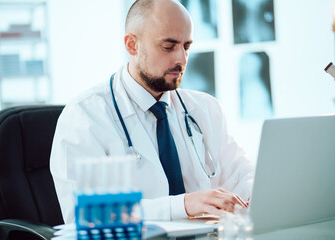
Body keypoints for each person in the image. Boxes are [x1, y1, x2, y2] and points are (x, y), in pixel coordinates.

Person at [50, 0, 254, 224]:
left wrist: (257, 193)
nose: (182, 59)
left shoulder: (205, 109)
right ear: (132, 45)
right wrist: (183, 205)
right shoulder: (84, 116)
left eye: (186, 46)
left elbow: (242, 175)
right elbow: (88, 215)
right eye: (168, 46)